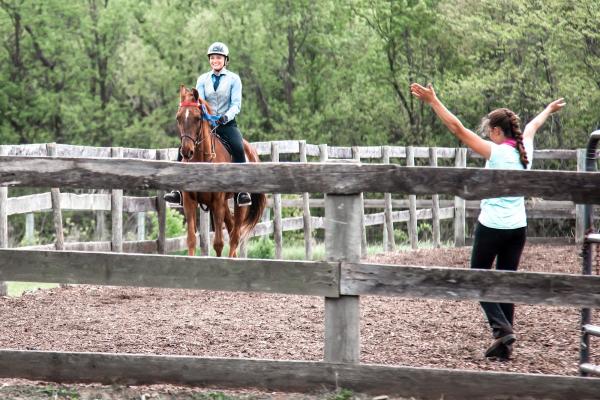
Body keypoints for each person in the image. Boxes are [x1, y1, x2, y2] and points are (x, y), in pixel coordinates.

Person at [410, 82, 566, 360]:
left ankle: (501, 329)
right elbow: (534, 125)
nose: (486, 136)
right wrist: (548, 109)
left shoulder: (497, 152)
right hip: (517, 227)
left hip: (492, 226)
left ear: (496, 131)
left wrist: (434, 101)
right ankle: (505, 345)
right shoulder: (524, 150)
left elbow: (457, 129)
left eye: (488, 132)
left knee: (477, 277)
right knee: (506, 281)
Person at [165, 41, 252, 207]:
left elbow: (236, 104)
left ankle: (242, 190)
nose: (215, 61)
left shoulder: (234, 79)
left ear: (225, 60)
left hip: (226, 124)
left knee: (238, 147)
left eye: (218, 58)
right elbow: (199, 101)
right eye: (212, 58)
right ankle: (177, 190)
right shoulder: (202, 79)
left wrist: (225, 117)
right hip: (206, 123)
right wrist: (206, 115)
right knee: (183, 147)